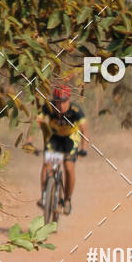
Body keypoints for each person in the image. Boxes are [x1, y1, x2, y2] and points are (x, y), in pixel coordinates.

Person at [35, 85, 88, 215]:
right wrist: (30, 141)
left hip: (70, 139)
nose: (61, 105)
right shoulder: (49, 108)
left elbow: (83, 130)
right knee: (47, 164)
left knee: (68, 167)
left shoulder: (76, 110)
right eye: (58, 102)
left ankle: (67, 199)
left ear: (68, 100)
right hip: (55, 138)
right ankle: (44, 196)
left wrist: (83, 148)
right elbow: (36, 121)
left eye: (64, 102)